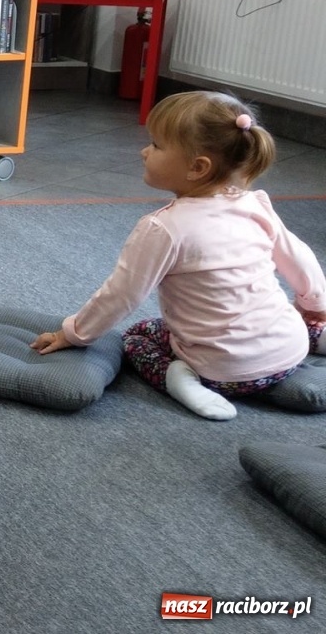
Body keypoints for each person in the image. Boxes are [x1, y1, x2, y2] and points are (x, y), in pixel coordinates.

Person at [33, 92, 326, 420]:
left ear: (197, 167)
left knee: (136, 337)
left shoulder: (163, 228)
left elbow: (121, 295)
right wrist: (316, 303)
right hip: (291, 348)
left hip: (221, 373)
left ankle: (179, 379)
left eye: (156, 145)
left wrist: (73, 333)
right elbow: (298, 256)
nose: (144, 152)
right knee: (277, 312)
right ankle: (318, 335)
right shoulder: (255, 205)